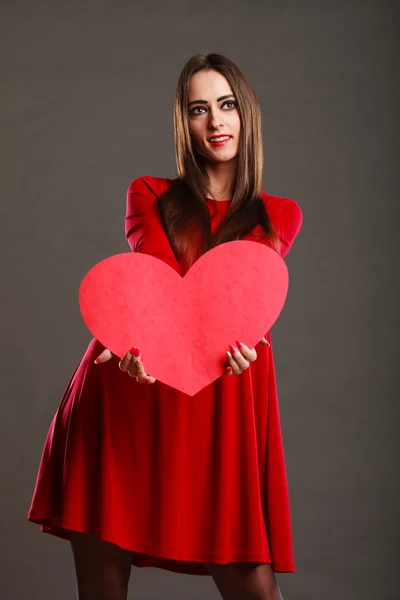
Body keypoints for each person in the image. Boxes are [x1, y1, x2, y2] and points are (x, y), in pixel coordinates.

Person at [27, 52, 303, 600]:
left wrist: (241, 337)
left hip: (216, 414)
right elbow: (154, 285)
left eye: (226, 105)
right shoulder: (149, 195)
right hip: (125, 401)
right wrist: (138, 336)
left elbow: (241, 299)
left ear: (246, 113)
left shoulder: (279, 214)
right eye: (198, 109)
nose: (216, 122)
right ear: (184, 123)